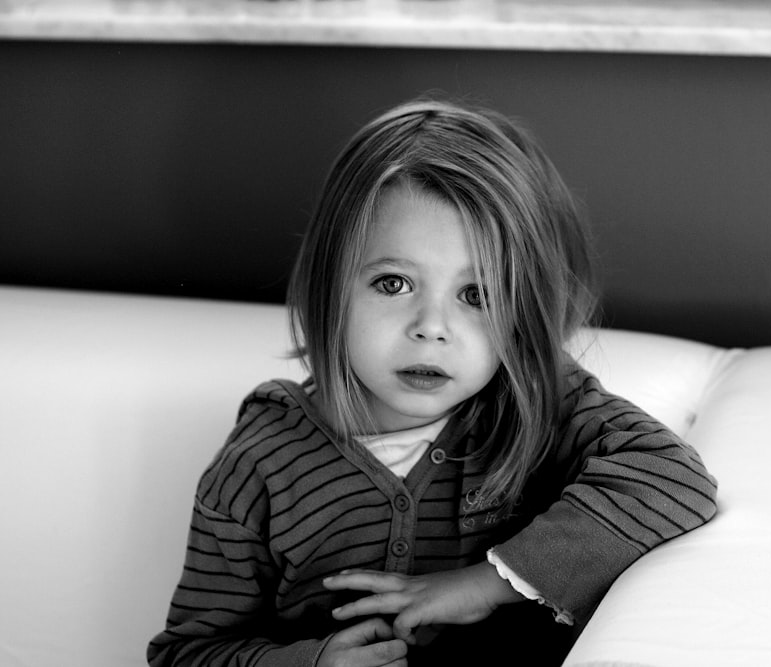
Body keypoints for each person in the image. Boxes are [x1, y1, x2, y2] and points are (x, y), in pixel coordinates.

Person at [148, 96, 718, 667]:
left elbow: (674, 478)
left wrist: (487, 582)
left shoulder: (541, 404)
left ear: (523, 311)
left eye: (477, 296)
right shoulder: (258, 467)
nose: (431, 329)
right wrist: (312, 663)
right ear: (330, 285)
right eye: (394, 284)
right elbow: (187, 654)